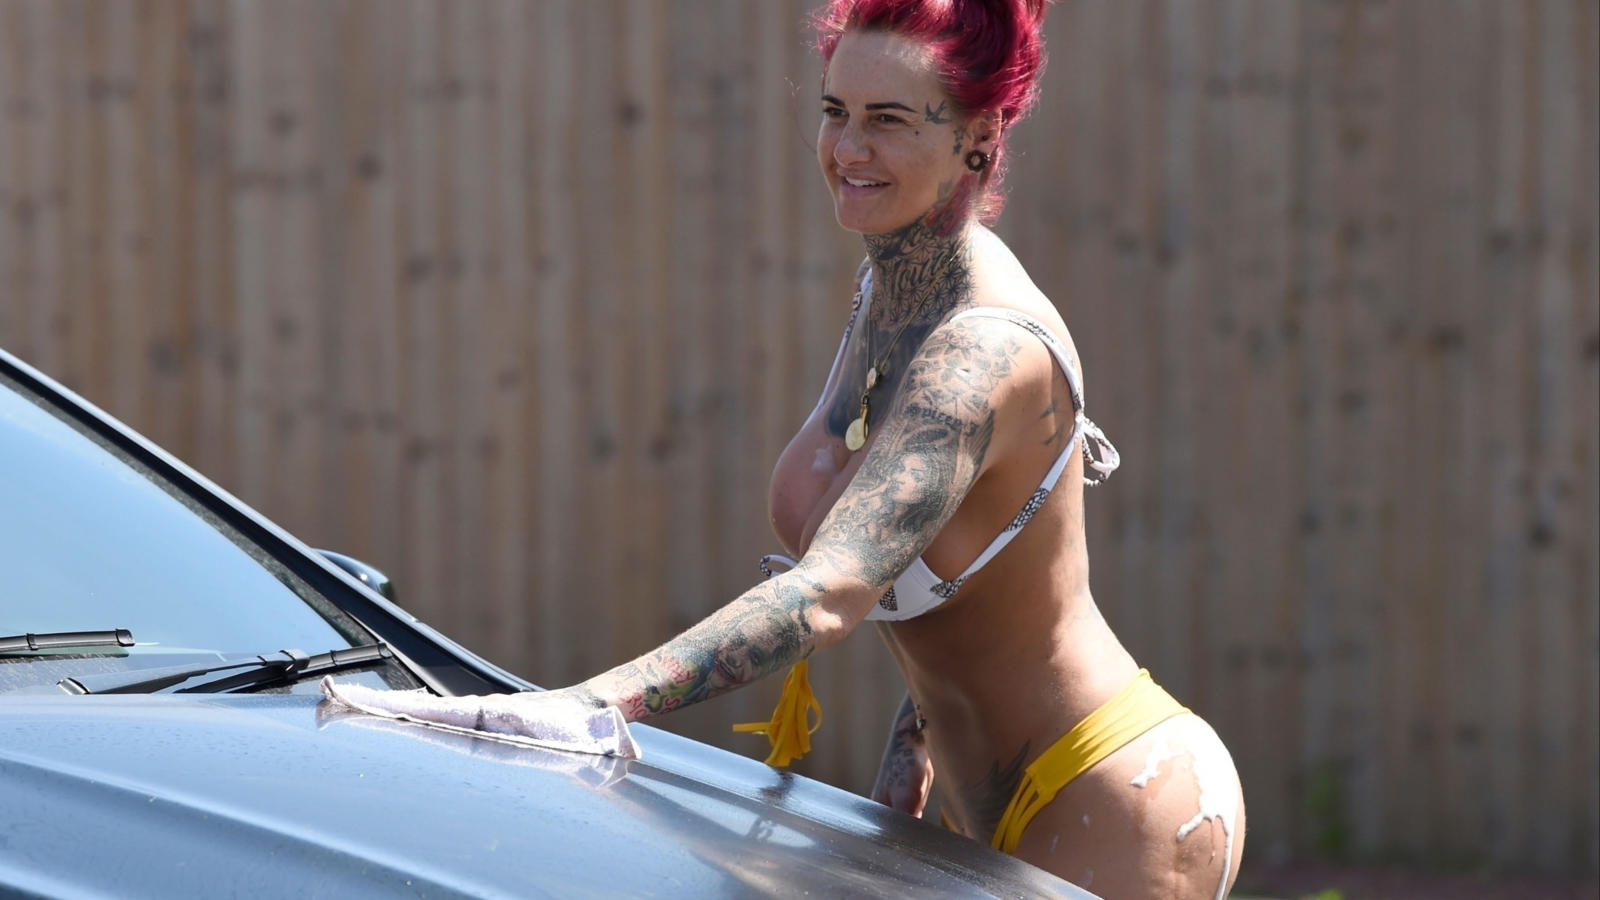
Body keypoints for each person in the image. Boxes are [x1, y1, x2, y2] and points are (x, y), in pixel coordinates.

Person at [338, 1, 1244, 896]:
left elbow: (827, 593)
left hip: (1114, 793)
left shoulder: (980, 351)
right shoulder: (890, 290)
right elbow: (969, 571)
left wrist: (583, 708)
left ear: (979, 136)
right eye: (835, 110)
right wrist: (911, 753)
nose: (848, 148)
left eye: (888, 120)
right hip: (986, 807)